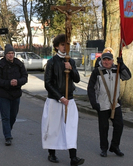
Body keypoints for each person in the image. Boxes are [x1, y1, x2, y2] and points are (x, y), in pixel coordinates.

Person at [41, 34, 84, 166]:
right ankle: (52, 153)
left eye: (67, 44)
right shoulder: (52, 62)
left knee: (70, 127)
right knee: (54, 127)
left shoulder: (70, 61)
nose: (65, 47)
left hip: (69, 100)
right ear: (56, 46)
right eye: (62, 44)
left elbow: (77, 79)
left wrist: (71, 70)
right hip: (55, 100)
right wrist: (60, 97)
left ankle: (73, 157)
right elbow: (47, 83)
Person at [87, 49, 131, 158]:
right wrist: (94, 103)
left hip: (115, 104)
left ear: (112, 61)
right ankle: (104, 148)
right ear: (101, 60)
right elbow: (90, 88)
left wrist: (122, 64)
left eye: (109, 60)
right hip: (102, 104)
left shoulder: (117, 69)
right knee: (103, 127)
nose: (107, 62)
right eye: (104, 60)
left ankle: (115, 146)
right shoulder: (97, 72)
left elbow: (127, 76)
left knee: (119, 125)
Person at [0, 44, 28, 146]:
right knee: (5, 117)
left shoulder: (19, 64)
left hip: (16, 94)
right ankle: (7, 136)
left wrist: (17, 81)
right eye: (9, 53)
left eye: (12, 53)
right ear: (5, 54)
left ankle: (8, 129)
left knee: (13, 116)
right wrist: (8, 83)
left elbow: (25, 77)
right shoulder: (1, 65)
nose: (11, 55)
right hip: (4, 95)